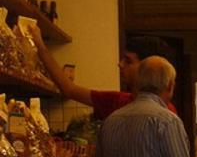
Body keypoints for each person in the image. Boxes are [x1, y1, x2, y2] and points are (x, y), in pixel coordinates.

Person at [28, 25, 177, 119]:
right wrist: (40, 46)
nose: (120, 64)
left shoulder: (166, 114)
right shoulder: (119, 101)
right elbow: (69, 89)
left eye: (128, 61)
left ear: (148, 66)